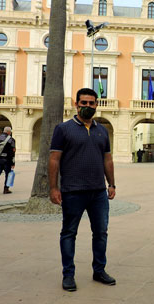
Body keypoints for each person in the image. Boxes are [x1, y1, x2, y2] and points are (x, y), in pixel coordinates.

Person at [49, 88, 117, 291]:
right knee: (69, 233)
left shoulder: (102, 130)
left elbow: (108, 159)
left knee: (101, 233)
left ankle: (99, 270)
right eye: (84, 103)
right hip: (72, 191)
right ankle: (68, 274)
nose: (87, 106)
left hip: (98, 192)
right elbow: (54, 159)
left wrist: (111, 184)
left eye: (91, 103)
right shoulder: (63, 129)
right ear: (76, 104)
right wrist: (54, 188)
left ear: (97, 105)